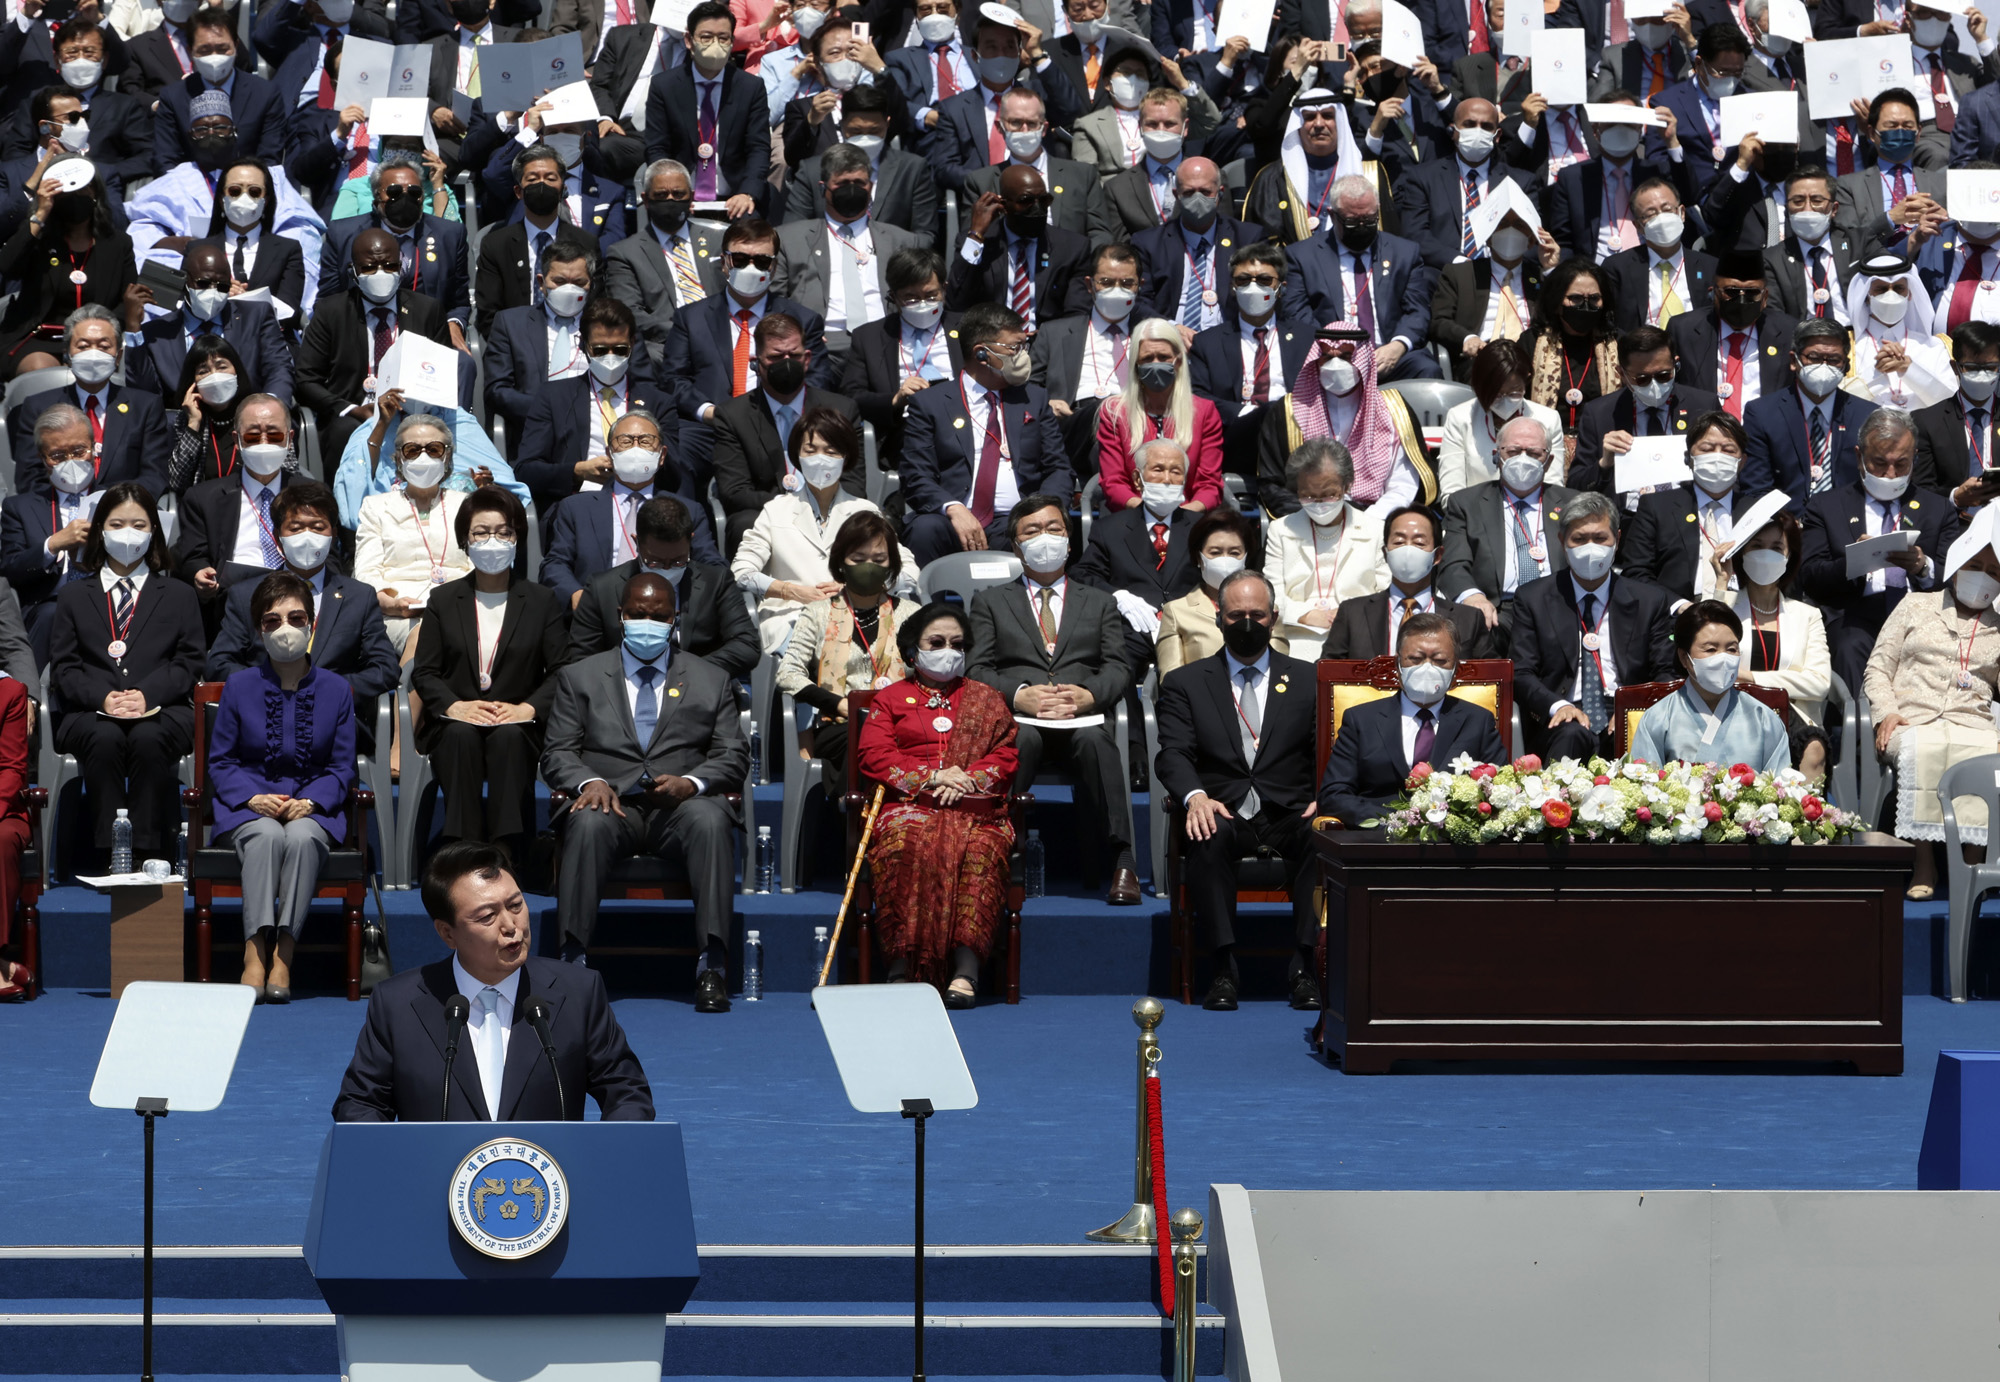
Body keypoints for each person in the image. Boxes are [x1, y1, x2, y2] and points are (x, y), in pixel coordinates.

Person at [541, 569, 749, 1009]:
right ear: (621, 616)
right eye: (638, 613)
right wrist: (589, 780)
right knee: (587, 823)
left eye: (659, 615)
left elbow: (734, 754)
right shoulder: (580, 676)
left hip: (680, 808)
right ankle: (572, 962)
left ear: (676, 619)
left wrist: (692, 783)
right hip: (611, 802)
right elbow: (556, 752)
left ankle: (711, 966)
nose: (648, 623)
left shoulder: (711, 678)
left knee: (712, 820)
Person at [333, 839, 656, 1121]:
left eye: (516, 905)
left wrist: (610, 1154)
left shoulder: (578, 991)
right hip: (434, 1185)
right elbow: (360, 1104)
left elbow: (626, 1091)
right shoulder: (397, 1003)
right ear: (447, 933)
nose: (511, 925)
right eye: (487, 917)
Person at [1156, 568, 1321, 1011]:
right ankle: (1224, 968)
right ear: (1218, 618)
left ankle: (1306, 966)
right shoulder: (1186, 684)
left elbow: (1329, 750)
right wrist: (1195, 796)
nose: (1247, 623)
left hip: (1291, 809)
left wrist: (1326, 796)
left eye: (1257, 614)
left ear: (1274, 617)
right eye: (1236, 614)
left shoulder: (1309, 680)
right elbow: (1172, 753)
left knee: (1323, 836)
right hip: (1223, 807)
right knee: (1206, 833)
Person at [967, 494, 1140, 904]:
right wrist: (1019, 696)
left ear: (1068, 538)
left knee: (1098, 744)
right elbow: (976, 669)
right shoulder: (990, 601)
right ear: (1015, 546)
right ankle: (999, 852)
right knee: (1018, 741)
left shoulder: (1099, 602)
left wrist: (1090, 694)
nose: (1044, 538)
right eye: (1032, 531)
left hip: (1081, 719)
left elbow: (1119, 666)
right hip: (1021, 719)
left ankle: (1124, 861)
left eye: (1054, 529)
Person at [855, 600, 1017, 1005]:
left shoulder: (987, 699)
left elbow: (1005, 754)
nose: (949, 651)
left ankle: (966, 973)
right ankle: (901, 969)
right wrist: (931, 776)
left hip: (975, 808)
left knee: (981, 848)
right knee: (909, 843)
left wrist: (967, 780)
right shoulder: (890, 699)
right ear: (913, 651)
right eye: (938, 642)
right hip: (908, 806)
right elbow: (874, 756)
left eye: (958, 644)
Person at [208, 570, 357, 1004]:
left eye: (295, 618)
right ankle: (254, 952)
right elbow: (221, 761)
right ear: (259, 630)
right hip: (249, 807)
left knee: (304, 839)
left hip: (314, 807)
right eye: (272, 621)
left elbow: (343, 765)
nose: (285, 629)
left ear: (311, 624)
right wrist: (251, 797)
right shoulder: (238, 686)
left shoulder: (337, 689)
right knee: (267, 836)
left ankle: (285, 955)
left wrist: (313, 800)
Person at [405, 485, 566, 865]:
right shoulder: (443, 600)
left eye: (503, 532)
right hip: (455, 720)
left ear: (517, 539)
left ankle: (506, 847)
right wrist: (454, 706)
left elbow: (561, 670)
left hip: (519, 722)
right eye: (481, 532)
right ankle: (463, 843)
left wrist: (528, 709)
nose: (492, 540)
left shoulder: (542, 601)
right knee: (459, 736)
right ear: (465, 540)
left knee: (509, 737)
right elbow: (425, 671)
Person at [48, 482, 206, 864]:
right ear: (100, 530)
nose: (128, 533)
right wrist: (104, 697)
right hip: (89, 710)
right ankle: (112, 852)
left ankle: (148, 850)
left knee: (149, 738)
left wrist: (146, 695)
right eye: (117, 524)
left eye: (138, 523)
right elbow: (65, 666)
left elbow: (189, 661)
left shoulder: (180, 594)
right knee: (104, 739)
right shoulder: (73, 595)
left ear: (154, 531)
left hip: (163, 708)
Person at [206, 480, 401, 749]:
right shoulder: (245, 594)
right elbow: (219, 662)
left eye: (318, 527)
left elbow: (385, 668)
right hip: (263, 715)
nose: (307, 535)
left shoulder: (360, 596)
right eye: (296, 528)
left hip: (333, 719)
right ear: (278, 537)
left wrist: (329, 689)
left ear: (333, 534)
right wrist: (267, 686)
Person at [1866, 508, 2000, 898]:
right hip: (1912, 718)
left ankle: (1973, 864)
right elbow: (1877, 668)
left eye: (1993, 571)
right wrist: (1886, 711)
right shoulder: (1914, 605)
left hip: (1971, 721)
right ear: (1956, 565)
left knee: (1982, 753)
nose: (1983, 576)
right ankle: (1924, 864)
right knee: (1921, 747)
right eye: (1975, 565)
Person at [1799, 406, 1960, 705]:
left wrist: (1924, 568)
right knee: (1849, 646)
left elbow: (1955, 577)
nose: (1890, 474)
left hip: (1920, 616)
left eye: (1901, 464)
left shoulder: (1938, 509)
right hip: (1855, 614)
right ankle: (1858, 741)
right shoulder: (1827, 506)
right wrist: (1854, 562)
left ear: (1915, 458)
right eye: (1878, 463)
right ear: (1859, 456)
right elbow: (1809, 576)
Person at [659, 216, 833, 487]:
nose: (751, 267)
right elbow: (673, 379)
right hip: (710, 429)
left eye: (762, 261)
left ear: (774, 267)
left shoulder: (803, 320)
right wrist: (709, 412)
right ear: (725, 262)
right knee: (676, 453)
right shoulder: (690, 318)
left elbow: (818, 380)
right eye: (740, 259)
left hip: (781, 427)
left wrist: (781, 411)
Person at [1509, 490, 1679, 762]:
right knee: (1571, 735)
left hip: (1627, 710)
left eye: (1600, 538)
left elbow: (1664, 672)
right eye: (1579, 539)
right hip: (1562, 714)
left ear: (1617, 540)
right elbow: (1521, 672)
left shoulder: (1649, 600)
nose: (1591, 547)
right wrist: (1558, 706)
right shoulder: (1533, 598)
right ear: (1563, 541)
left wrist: (1633, 710)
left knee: (1632, 734)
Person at [899, 301, 1067, 565]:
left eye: (1024, 346)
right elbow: (915, 475)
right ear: (981, 354)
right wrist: (953, 508)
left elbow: (1058, 468)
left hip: (1017, 520)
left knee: (1038, 535)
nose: (1022, 355)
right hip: (952, 520)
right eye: (1014, 348)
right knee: (923, 530)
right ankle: (928, 606)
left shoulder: (1033, 399)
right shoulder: (931, 403)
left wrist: (1039, 513)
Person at [731, 410, 912, 654]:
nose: (820, 459)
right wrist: (793, 591)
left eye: (830, 451)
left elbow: (908, 573)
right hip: (791, 620)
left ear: (845, 458)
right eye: (810, 450)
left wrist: (857, 586)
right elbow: (741, 572)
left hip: (858, 617)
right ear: (797, 455)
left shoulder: (865, 511)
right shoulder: (776, 510)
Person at [1318, 607, 1507, 818]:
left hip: (1450, 842)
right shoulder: (1361, 720)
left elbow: (1500, 792)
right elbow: (1333, 796)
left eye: (1439, 660)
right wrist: (1397, 821)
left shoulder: (1478, 721)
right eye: (1416, 659)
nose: (1427, 668)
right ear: (1398, 664)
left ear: (1455, 668)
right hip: (1377, 839)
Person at [779, 512, 924, 783]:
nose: (868, 566)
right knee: (862, 737)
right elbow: (788, 674)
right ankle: (857, 817)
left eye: (878, 560)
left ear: (891, 564)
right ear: (841, 563)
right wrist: (839, 705)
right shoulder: (817, 613)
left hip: (903, 723)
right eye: (858, 559)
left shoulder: (912, 614)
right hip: (841, 726)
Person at [294, 226, 455, 460]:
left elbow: (442, 375)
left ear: (402, 266)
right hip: (355, 414)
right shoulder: (331, 312)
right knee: (342, 433)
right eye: (369, 268)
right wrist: (351, 409)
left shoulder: (427, 310)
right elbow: (305, 380)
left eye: (389, 266)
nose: (381, 273)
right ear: (354, 272)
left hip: (413, 413)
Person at [709, 314, 864, 554]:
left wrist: (820, 505)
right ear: (756, 363)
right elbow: (735, 492)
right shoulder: (732, 416)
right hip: (768, 512)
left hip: (831, 507)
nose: (787, 362)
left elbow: (853, 482)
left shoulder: (842, 410)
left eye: (794, 355)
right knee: (743, 524)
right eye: (776, 357)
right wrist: (793, 505)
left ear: (807, 359)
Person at [568, 495, 761, 676]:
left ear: (690, 541)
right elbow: (581, 658)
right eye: (655, 562)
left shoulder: (717, 582)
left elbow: (746, 646)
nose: (667, 569)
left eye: (678, 561)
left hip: (697, 693)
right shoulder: (602, 588)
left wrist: (685, 672)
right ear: (637, 542)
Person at [771, 143, 927, 360]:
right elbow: (774, 300)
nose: (851, 189)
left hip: (886, 342)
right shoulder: (788, 239)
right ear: (822, 188)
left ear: (870, 187)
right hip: (817, 345)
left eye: (859, 183)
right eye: (842, 183)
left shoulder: (902, 241)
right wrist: (798, 332)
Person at [1254, 330, 1434, 517]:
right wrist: (1317, 516)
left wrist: (1368, 521)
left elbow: (1403, 484)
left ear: (1363, 360)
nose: (1335, 365)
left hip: (1376, 521)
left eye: (1346, 357)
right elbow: (1272, 483)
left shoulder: (1393, 409)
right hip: (1307, 520)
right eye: (1327, 357)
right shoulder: (1287, 411)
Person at [1437, 414, 1579, 648]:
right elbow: (1453, 564)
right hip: (1495, 613)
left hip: (1559, 607)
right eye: (1513, 452)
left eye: (1534, 453)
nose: (1523, 459)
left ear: (1549, 461)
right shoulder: (1466, 503)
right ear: (1496, 456)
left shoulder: (1574, 503)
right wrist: (1473, 597)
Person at [1281, 175, 1440, 382]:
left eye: (1369, 219)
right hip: (1330, 354)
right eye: (1353, 221)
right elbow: (1297, 313)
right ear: (1332, 215)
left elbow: (1417, 310)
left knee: (1426, 369)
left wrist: (1398, 345)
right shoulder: (1302, 256)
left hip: (1388, 352)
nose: (1362, 226)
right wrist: (1334, 349)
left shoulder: (1404, 252)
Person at [0, 136, 135, 379]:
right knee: (47, 374)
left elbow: (125, 302)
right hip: (39, 337)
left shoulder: (118, 244)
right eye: (66, 192)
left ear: (95, 192)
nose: (75, 197)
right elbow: (8, 265)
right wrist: (40, 213)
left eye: (82, 189)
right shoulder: (39, 238)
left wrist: (100, 341)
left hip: (95, 341)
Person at [6, 305, 173, 500]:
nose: (93, 354)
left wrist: (104, 503)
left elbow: (154, 476)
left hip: (123, 514)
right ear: (68, 355)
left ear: (118, 356)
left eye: (103, 346)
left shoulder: (145, 407)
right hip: (58, 516)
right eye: (83, 346)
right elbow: (30, 479)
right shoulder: (37, 408)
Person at [1188, 241, 1317, 483]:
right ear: (1233, 287)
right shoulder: (1208, 342)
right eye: (1243, 280)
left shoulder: (1307, 338)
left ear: (1281, 287)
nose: (1253, 287)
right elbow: (1197, 396)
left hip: (1295, 437)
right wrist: (1249, 414)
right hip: (1235, 439)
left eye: (1264, 280)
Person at [1725, 498, 1833, 780]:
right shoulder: (1723, 607)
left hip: (1792, 717)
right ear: (1742, 553)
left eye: (1776, 548)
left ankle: (1808, 821)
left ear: (1790, 556)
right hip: (1731, 713)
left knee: (1813, 748)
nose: (1766, 555)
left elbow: (1818, 683)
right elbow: (1707, 658)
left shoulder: (1807, 615)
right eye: (1757, 546)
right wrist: (1719, 584)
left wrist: (1753, 679)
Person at [123, 238, 295, 407]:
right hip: (183, 425)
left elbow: (279, 369)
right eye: (203, 283)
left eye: (222, 287)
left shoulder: (256, 316)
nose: (213, 292)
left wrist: (269, 408)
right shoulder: (157, 332)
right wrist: (132, 329)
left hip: (246, 422)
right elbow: (143, 392)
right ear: (185, 282)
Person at [355, 413, 473, 657]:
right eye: (412, 450)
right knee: (426, 633)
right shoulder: (375, 507)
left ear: (447, 454)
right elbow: (367, 573)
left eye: (433, 449)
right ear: (399, 457)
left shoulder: (468, 506)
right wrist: (391, 604)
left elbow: (477, 566)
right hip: (397, 616)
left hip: (461, 608)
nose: (423, 456)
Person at [1628, 598, 1792, 772]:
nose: (1723, 658)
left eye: (1731, 649)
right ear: (1685, 657)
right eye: (1711, 649)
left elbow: (1779, 788)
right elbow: (1644, 784)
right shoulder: (1658, 718)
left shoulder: (1764, 719)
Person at [1261, 440, 1389, 661]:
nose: (1319, 504)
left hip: (1358, 637)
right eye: (1308, 496)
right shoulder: (1280, 530)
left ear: (1347, 486)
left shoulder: (1376, 529)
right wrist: (1303, 614)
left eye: (1329, 494)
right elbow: (1272, 594)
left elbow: (1385, 592)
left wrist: (1350, 615)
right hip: (1294, 634)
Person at [0, 403, 107, 662]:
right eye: (57, 455)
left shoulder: (116, 499)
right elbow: (10, 568)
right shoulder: (20, 507)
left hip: (108, 598)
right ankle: (33, 697)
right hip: (50, 604)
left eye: (79, 451)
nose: (70, 461)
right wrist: (52, 545)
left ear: (94, 449)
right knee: (52, 614)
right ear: (42, 458)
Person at [1619, 409, 1760, 604]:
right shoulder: (1656, 507)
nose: (1717, 457)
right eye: (1707, 448)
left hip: (1742, 611)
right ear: (1688, 458)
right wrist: (1678, 606)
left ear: (1742, 462)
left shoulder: (1758, 511)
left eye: (1728, 450)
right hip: (1677, 616)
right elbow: (1636, 572)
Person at [1564, 325, 1722, 497]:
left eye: (1663, 375)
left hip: (1687, 512)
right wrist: (1604, 463)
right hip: (1626, 518)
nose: (1654, 386)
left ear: (1676, 363)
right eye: (1642, 379)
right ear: (1621, 374)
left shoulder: (1703, 405)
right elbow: (1575, 487)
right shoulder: (1599, 414)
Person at [842, 247, 961, 472]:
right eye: (911, 298)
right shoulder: (869, 337)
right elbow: (851, 397)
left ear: (944, 290)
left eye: (931, 295)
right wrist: (895, 399)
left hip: (963, 425)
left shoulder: (967, 328)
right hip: (905, 434)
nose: (923, 304)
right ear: (894, 297)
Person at [1740, 317, 1880, 507]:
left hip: (1848, 527)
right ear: (1793, 360)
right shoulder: (1762, 414)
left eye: (1834, 360)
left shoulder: (1868, 415)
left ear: (1846, 366)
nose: (1824, 366)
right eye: (1814, 357)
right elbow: (1756, 487)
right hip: (1786, 527)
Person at [1324, 504, 1491, 660]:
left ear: (1438, 555)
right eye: (1399, 542)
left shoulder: (1469, 619)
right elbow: (1326, 675)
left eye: (1419, 543)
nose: (1407, 550)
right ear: (1385, 552)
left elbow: (1491, 680)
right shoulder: (1352, 614)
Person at [469, 144, 600, 339]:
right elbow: (489, 314)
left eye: (550, 178)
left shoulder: (585, 243)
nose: (541, 184)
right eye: (532, 179)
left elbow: (595, 305)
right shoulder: (496, 245)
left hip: (573, 342)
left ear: (562, 189)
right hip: (514, 345)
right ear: (518, 191)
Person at [478, 237, 598, 448]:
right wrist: (546, 409)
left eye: (579, 283)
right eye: (559, 282)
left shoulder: (608, 325)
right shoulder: (510, 323)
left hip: (596, 430)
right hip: (534, 434)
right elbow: (497, 390)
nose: (569, 289)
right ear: (542, 283)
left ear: (590, 284)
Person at [602, 159, 724, 365]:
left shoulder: (719, 241)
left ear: (691, 197)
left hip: (721, 333)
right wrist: (686, 333)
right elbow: (629, 311)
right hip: (665, 344)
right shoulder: (624, 253)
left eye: (678, 194)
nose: (670, 199)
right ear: (646, 200)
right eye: (661, 195)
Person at [1130, 156, 1258, 336]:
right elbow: (1138, 303)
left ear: (1220, 193)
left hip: (1231, 341)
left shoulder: (1247, 239)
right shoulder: (1148, 244)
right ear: (1176, 195)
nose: (1197, 198)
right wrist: (1171, 329)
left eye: (1205, 192)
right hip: (1170, 342)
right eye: (1189, 193)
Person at [1665, 250, 1801, 421]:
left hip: (1766, 433)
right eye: (1732, 292)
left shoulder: (1788, 331)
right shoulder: (1684, 329)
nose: (1742, 301)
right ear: (1714, 293)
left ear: (1765, 297)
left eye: (1751, 293)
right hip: (1703, 432)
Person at [1434, 340, 1569, 497]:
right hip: (1475, 516)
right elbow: (1452, 493)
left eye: (1514, 393)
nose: (1505, 401)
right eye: (1497, 394)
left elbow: (1553, 488)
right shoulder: (1459, 418)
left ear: (1527, 379)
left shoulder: (1548, 419)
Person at [1845, 252, 1958, 410]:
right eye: (1881, 289)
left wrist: (1909, 369)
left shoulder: (1934, 346)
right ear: (1866, 296)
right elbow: (1838, 404)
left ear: (1910, 294)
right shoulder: (1848, 348)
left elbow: (1952, 403)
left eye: (1898, 288)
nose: (1890, 295)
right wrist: (1877, 372)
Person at [1603, 176, 1713, 334]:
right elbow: (1610, 324)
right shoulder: (1617, 268)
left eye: (1667, 209)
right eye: (1650, 214)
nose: (1662, 218)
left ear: (1682, 213)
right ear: (1638, 226)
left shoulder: (1709, 266)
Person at [205, 157, 310, 320]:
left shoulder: (288, 249)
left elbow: (290, 311)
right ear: (221, 198)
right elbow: (183, 304)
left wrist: (244, 299)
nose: (244, 198)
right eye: (234, 191)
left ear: (266, 199)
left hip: (268, 340)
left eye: (254, 192)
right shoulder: (197, 249)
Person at [1916, 324, 2000, 508]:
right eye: (1972, 368)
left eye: (1991, 367)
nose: (1982, 374)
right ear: (1955, 367)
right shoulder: (1927, 422)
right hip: (1954, 527)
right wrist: (1954, 497)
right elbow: (1919, 490)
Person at [163, 336, 250, 493]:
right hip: (203, 508)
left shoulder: (257, 413)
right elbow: (177, 483)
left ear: (236, 371)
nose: (214, 376)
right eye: (203, 371)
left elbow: (287, 469)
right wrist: (193, 424)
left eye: (222, 367)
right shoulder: (184, 420)